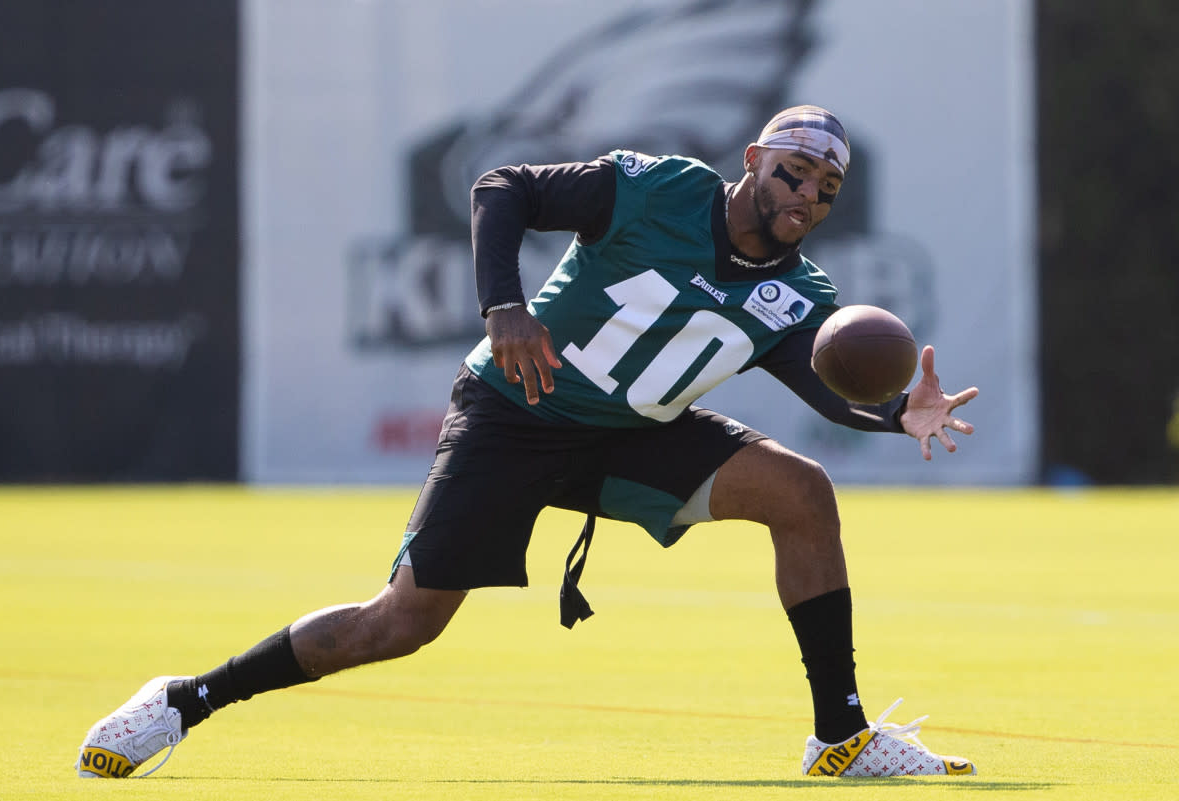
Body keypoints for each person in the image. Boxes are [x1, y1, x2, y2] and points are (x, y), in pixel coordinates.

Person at [76, 105, 980, 779]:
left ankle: (842, 735)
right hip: (518, 408)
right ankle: (184, 699)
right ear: (752, 161)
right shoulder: (659, 188)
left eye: (826, 188)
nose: (806, 197)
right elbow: (501, 188)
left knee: (803, 490)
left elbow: (823, 389)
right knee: (400, 623)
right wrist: (504, 306)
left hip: (632, 431)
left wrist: (896, 412)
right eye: (792, 172)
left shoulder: (804, 295)